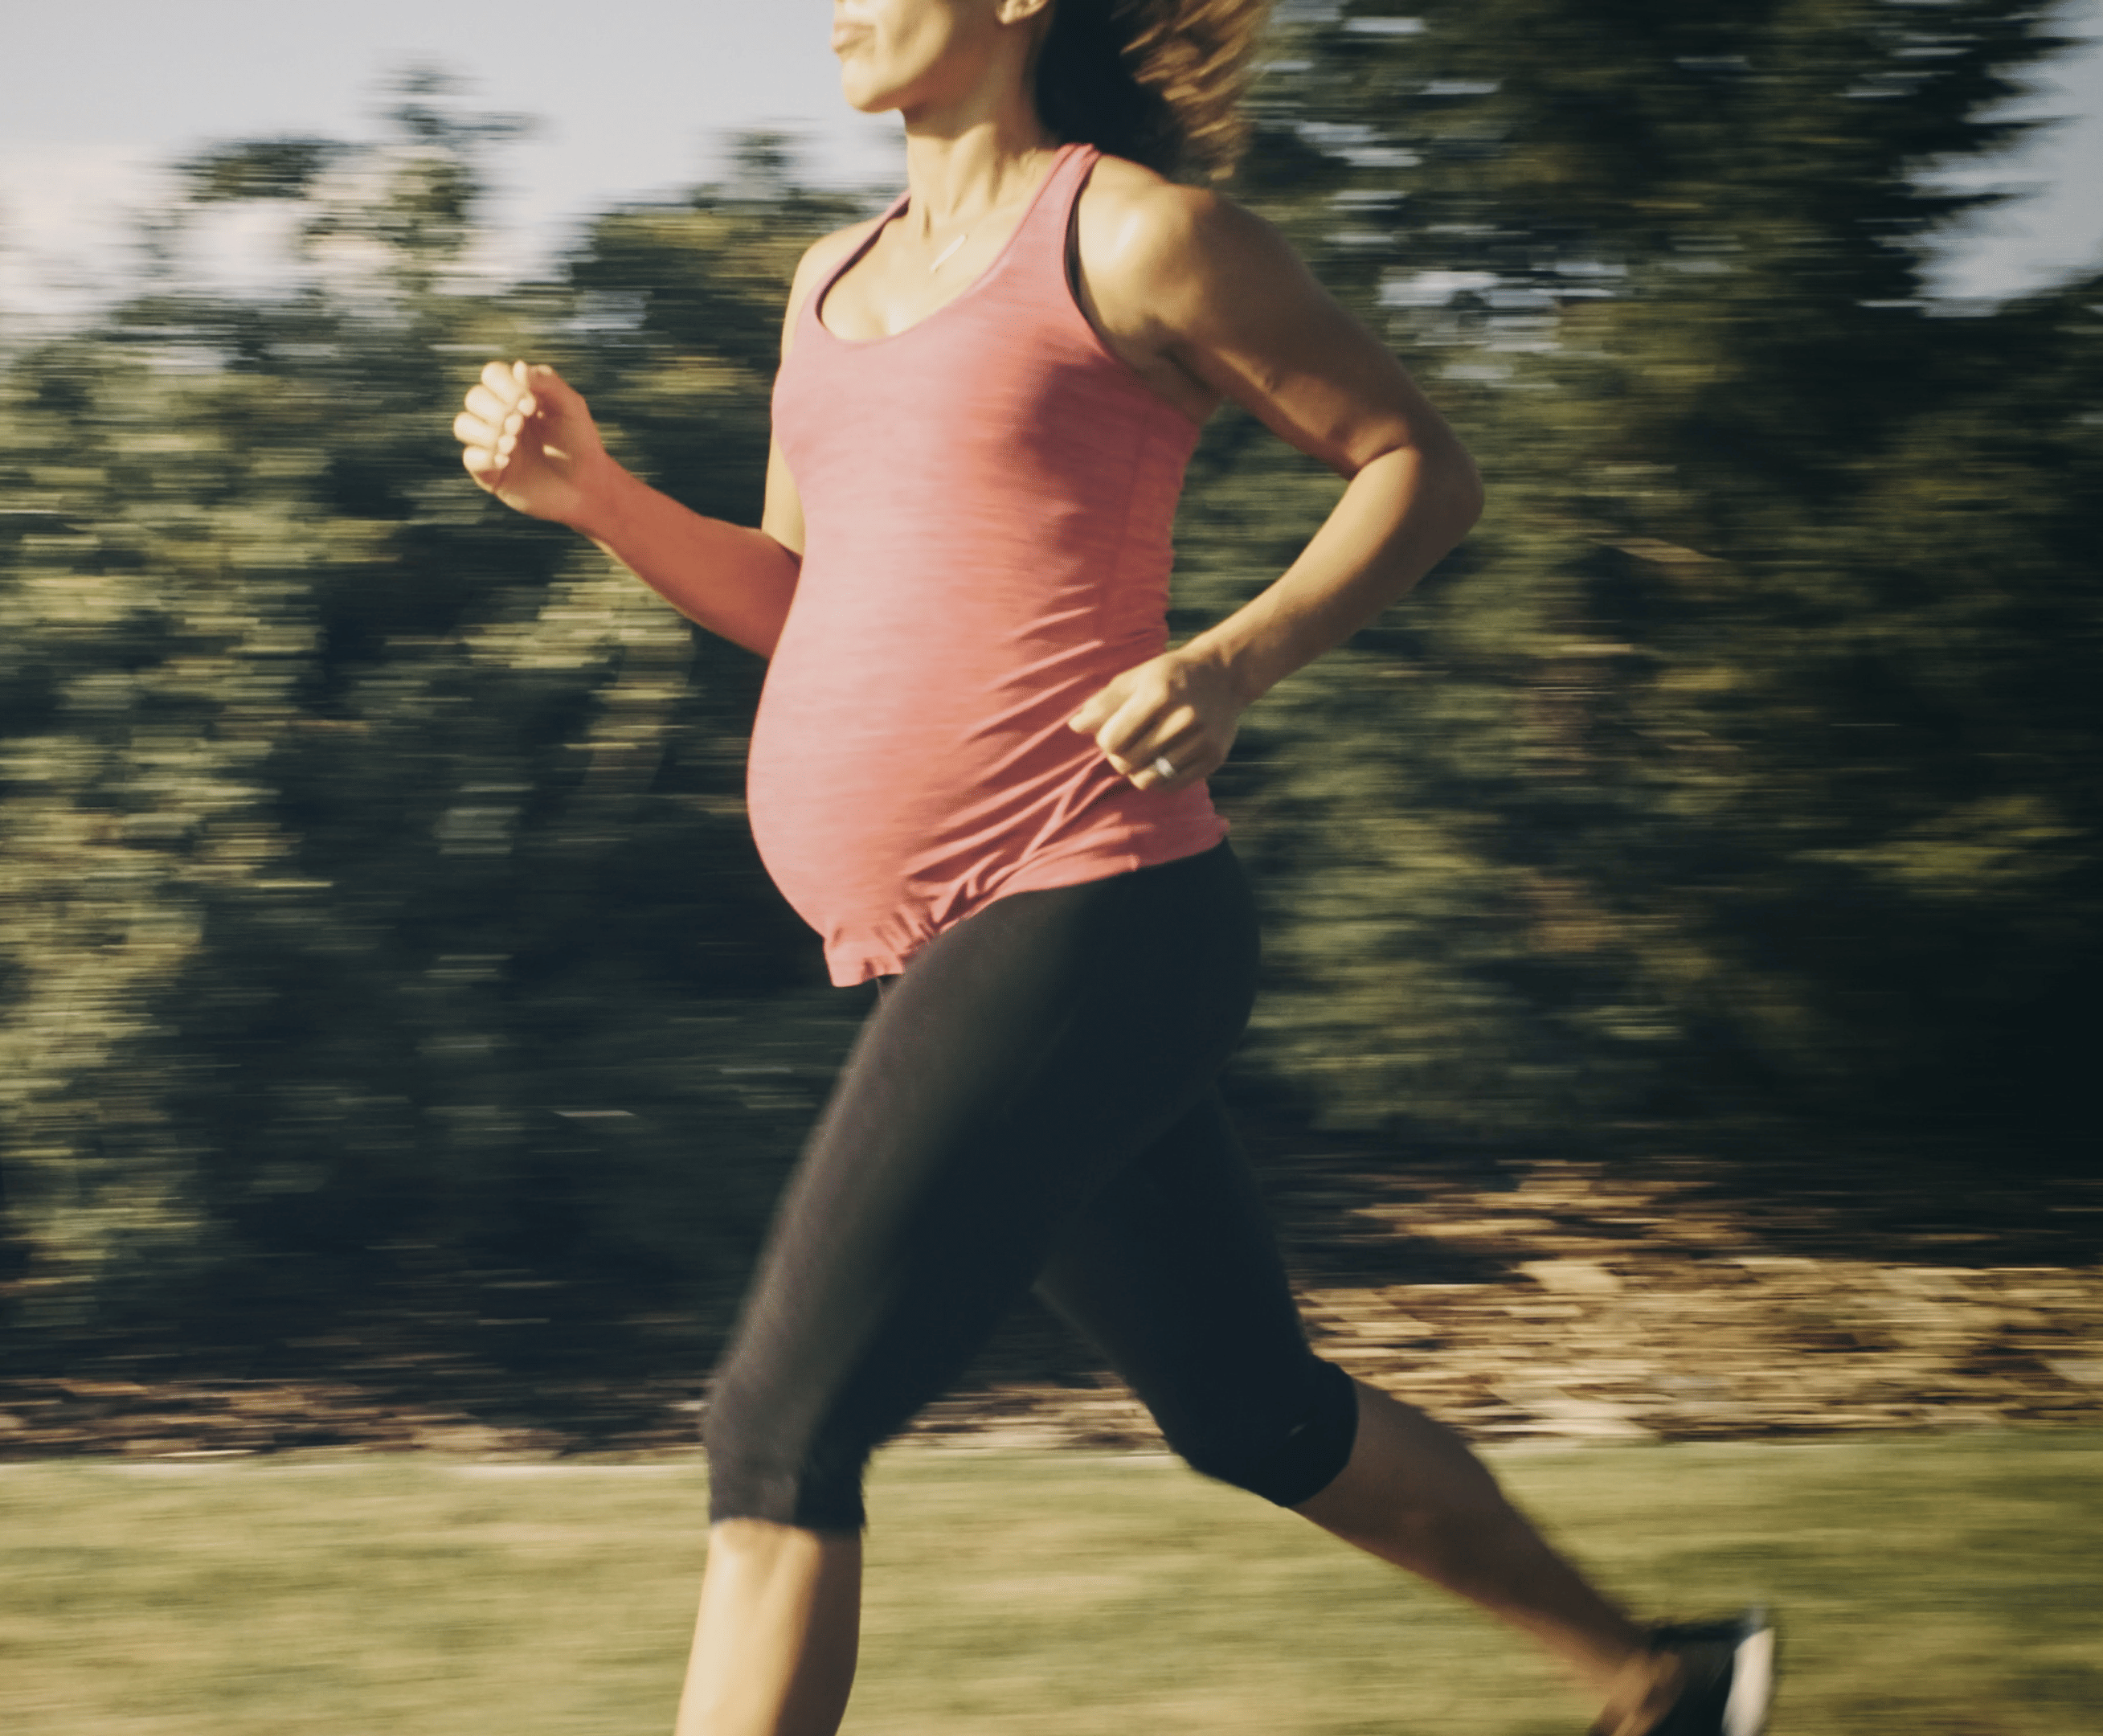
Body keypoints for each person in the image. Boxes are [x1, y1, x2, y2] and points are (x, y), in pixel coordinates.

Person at [452, 2, 1772, 1733]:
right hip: (942, 944)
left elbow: (1419, 468)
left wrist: (1231, 661)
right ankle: (1667, 1682)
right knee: (1250, 1413)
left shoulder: (1136, 234)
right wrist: (606, 501)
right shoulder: (828, 282)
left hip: (1093, 899)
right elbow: (800, 599)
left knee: (779, 1424)